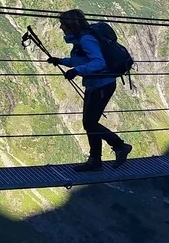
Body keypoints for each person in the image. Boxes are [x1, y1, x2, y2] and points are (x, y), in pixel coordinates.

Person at [48, 9, 133, 172]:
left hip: (101, 85)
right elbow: (81, 59)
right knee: (89, 122)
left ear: (71, 25)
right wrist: (61, 61)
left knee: (90, 122)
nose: (60, 27)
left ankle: (118, 146)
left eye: (62, 24)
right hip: (97, 85)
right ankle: (96, 160)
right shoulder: (82, 38)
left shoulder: (86, 39)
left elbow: (98, 63)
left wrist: (77, 71)